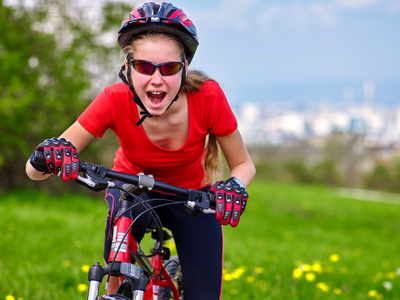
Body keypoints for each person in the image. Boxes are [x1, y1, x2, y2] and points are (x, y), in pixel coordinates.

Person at [26, 2, 255, 299]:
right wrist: (46, 156)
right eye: (144, 67)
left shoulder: (208, 97)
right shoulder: (112, 99)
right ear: (127, 69)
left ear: (184, 69)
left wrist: (234, 186)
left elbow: (243, 165)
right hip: (133, 190)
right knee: (122, 240)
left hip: (191, 194)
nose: (156, 79)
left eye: (170, 68)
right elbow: (35, 173)